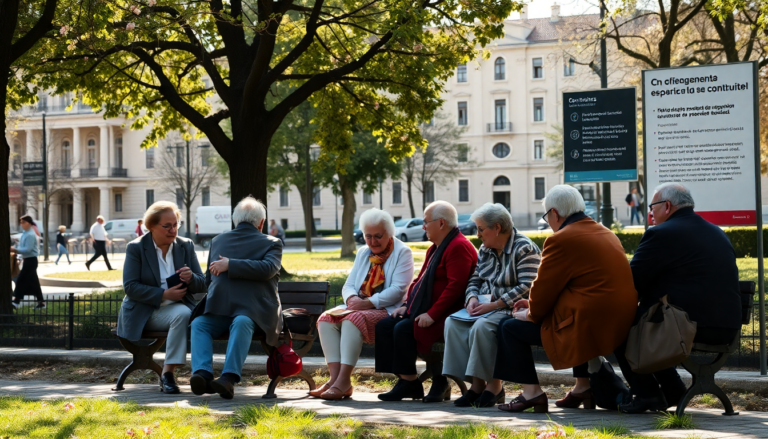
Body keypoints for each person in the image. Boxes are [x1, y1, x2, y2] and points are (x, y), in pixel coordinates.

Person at [494, 185, 637, 413]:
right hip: (619, 321)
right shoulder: (605, 232)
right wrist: (532, 305)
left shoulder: (561, 239)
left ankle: (532, 393)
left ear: (554, 213)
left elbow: (543, 291)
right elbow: (574, 287)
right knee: (572, 315)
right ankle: (583, 387)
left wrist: (531, 313)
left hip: (589, 325)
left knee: (508, 327)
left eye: (546, 216)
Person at [615, 183, 742, 414]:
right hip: (727, 328)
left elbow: (630, 281)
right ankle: (673, 390)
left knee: (617, 325)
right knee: (647, 318)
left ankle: (648, 394)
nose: (650, 212)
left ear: (667, 206)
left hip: (687, 327)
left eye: (652, 207)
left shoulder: (660, 233)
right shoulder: (716, 231)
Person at [375, 201, 477, 403]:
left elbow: (456, 288)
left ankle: (439, 380)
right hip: (425, 308)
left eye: (425, 222)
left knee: (403, 330)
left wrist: (432, 315)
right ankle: (409, 380)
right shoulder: (436, 247)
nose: (423, 226)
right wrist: (406, 305)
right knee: (385, 326)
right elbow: (419, 280)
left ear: (441, 223)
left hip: (449, 312)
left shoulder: (458, 246)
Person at [442, 203, 542, 408]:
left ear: (497, 228)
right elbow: (475, 279)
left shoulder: (524, 248)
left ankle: (494, 387)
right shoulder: (486, 248)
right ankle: (476, 385)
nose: (477, 234)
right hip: (484, 307)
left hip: (511, 309)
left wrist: (495, 303)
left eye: (481, 229)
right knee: (452, 323)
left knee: (482, 327)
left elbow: (529, 286)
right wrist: (471, 298)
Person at [314, 208, 414, 400]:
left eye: (378, 236)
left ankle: (344, 380)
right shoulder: (362, 253)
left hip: (388, 310)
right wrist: (351, 299)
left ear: (389, 233)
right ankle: (335, 380)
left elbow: (398, 290)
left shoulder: (403, 252)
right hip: (358, 306)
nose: (373, 242)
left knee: (353, 319)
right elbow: (349, 284)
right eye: (368, 236)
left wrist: (367, 303)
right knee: (325, 319)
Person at [190, 197, 283, 399]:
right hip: (238, 310)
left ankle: (228, 378)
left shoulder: (219, 241)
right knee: (200, 323)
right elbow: (208, 278)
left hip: (252, 314)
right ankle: (202, 374)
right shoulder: (271, 242)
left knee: (239, 321)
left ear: (235, 220)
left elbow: (268, 269)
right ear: (261, 223)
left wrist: (231, 264)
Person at [118, 201, 206, 394]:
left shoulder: (186, 246)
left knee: (183, 313)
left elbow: (203, 283)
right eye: (166, 226)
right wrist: (163, 294)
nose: (172, 230)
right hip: (144, 312)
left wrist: (191, 278)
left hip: (176, 310)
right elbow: (130, 287)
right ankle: (168, 376)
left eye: (175, 225)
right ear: (151, 226)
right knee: (182, 314)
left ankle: (168, 373)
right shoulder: (137, 248)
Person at [10, 215, 45, 310]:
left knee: (21, 280)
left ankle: (16, 302)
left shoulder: (30, 234)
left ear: (29, 223)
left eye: (23, 222)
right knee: (34, 282)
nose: (21, 224)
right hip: (28, 260)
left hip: (31, 260)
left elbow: (28, 249)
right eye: (20, 222)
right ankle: (41, 302)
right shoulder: (25, 233)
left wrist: (15, 250)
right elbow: (24, 248)